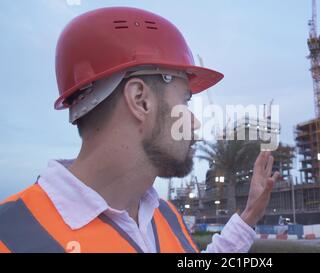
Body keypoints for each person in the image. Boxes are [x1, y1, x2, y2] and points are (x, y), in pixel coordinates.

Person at [0, 7, 279, 253]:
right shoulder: (10, 237)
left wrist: (248, 216)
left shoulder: (165, 216)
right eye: (184, 101)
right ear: (140, 100)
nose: (194, 123)